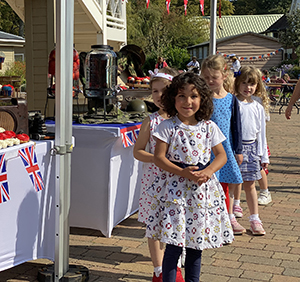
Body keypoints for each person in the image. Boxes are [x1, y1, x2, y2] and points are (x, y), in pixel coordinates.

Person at [145, 72, 234, 282]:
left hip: (201, 193)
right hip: (175, 193)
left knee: (196, 244)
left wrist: (209, 171)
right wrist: (182, 172)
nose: (188, 102)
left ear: (202, 99)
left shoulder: (208, 127)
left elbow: (221, 156)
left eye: (193, 96)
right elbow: (159, 158)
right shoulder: (167, 127)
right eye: (181, 96)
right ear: (172, 99)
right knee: (174, 245)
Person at [133, 67, 183, 282]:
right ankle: (158, 269)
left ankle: (176, 264)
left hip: (178, 180)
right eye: (154, 91)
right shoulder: (151, 121)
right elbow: (138, 151)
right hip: (155, 181)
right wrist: (156, 158)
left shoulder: (184, 119)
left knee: (178, 221)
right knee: (154, 225)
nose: (159, 96)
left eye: (164, 90)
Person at [201, 54, 245, 235]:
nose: (210, 81)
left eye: (214, 77)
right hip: (204, 150)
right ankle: (206, 220)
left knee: (224, 187)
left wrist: (239, 150)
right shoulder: (201, 98)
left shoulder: (231, 99)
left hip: (225, 149)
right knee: (206, 187)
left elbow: (237, 126)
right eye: (206, 77)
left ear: (224, 76)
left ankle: (227, 219)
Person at [234, 66, 269, 235]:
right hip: (235, 149)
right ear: (237, 83)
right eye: (244, 83)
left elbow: (261, 132)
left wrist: (264, 155)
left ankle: (255, 218)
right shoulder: (233, 103)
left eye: (252, 84)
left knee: (250, 185)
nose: (248, 87)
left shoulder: (258, 107)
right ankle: (232, 213)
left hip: (252, 148)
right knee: (234, 183)